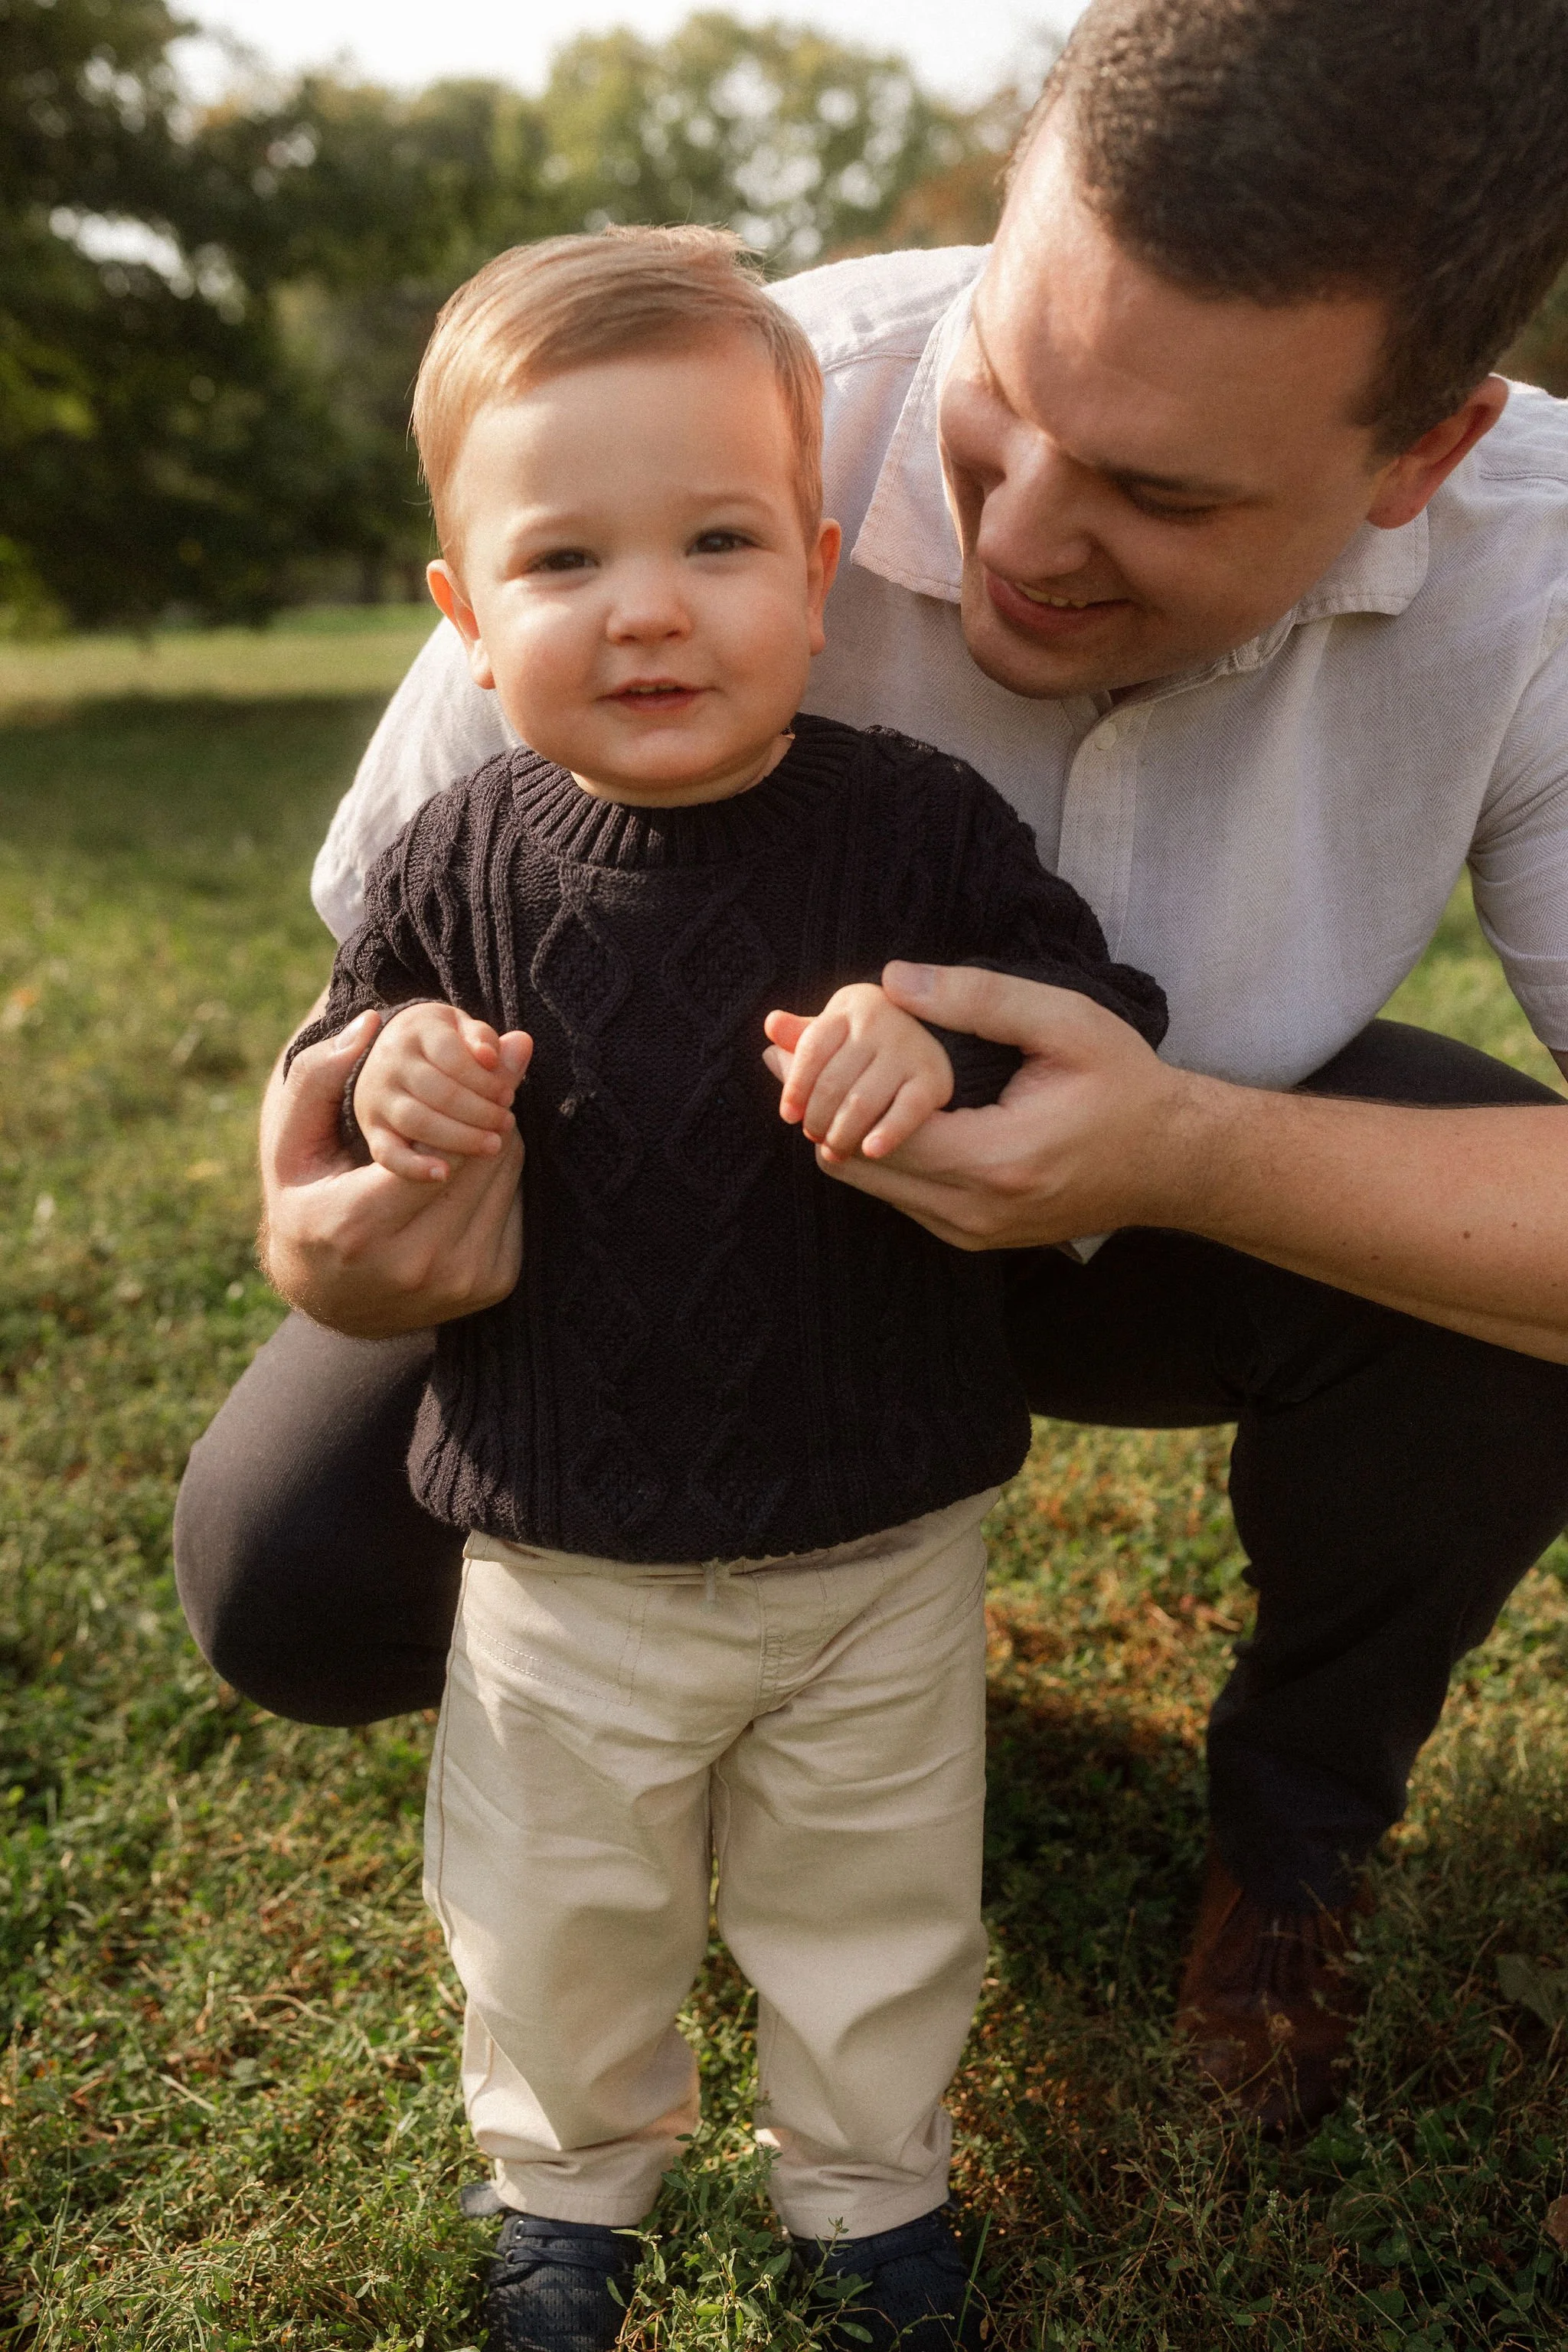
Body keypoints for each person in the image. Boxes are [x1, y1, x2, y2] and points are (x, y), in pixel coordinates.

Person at [176, 0, 1568, 2147]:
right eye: (1006, 394)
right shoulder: (693, 412)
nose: (1018, 521)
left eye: (1162, 492)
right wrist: (335, 1222)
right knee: (286, 1575)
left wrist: (1191, 1144)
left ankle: (1294, 1830)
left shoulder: (1544, 564)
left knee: (1493, 1247)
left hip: (1163, 1210)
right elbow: (361, 1013)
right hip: (641, 1232)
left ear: (1422, 456)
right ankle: (786, 1674)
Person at [284, 227, 1166, 2352]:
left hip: (876, 1525)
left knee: (868, 1893)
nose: (651, 602)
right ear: (469, 622)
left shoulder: (919, 829)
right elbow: (336, 1056)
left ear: (820, 563)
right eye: (566, 560)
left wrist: (939, 1044)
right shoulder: (459, 861)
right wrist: (379, 1076)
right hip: (560, 1535)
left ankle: (870, 2200)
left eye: (714, 538)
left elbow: (1096, 1019)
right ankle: (567, 2193)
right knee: (549, 1904)